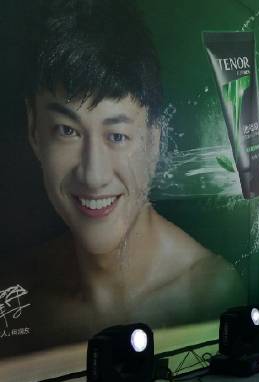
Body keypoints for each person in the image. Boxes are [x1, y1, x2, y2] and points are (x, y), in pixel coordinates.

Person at [6, 0, 242, 351]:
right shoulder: (15, 294)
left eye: (117, 136)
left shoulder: (208, 291)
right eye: (67, 131)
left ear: (154, 143)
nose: (93, 175)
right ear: (33, 130)